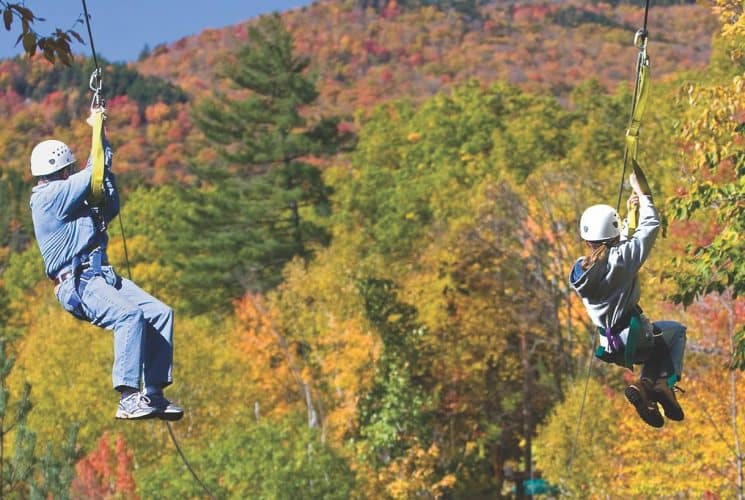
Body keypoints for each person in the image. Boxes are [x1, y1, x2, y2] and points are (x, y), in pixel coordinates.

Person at [29, 110, 183, 421]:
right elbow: (93, 171)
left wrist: (102, 138)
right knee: (129, 316)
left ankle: (153, 394)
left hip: (101, 276)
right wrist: (97, 128)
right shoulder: (49, 197)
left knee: (160, 313)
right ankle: (128, 398)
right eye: (69, 169)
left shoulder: (72, 201)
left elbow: (106, 200)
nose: (71, 172)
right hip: (79, 281)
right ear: (61, 171)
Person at [570, 168, 686, 428]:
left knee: (657, 342)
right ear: (612, 236)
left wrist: (628, 216)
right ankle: (658, 386)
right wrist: (645, 197)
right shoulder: (622, 261)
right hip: (633, 337)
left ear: (586, 240)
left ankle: (648, 393)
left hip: (608, 344)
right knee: (675, 333)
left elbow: (612, 250)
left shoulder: (582, 270)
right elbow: (650, 228)